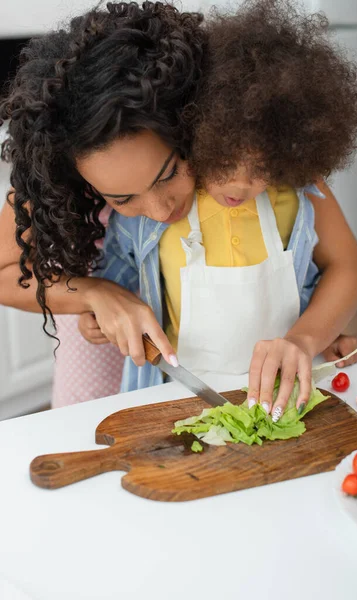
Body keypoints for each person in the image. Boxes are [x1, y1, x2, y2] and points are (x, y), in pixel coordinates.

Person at [78, 0, 357, 420]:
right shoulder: (150, 213)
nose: (243, 185)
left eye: (264, 169)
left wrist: (307, 339)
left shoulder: (300, 195)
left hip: (284, 397)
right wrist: (97, 315)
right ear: (197, 130)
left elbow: (352, 270)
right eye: (228, 160)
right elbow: (112, 292)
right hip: (175, 398)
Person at [0, 1, 205, 405]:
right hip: (99, 388)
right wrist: (93, 293)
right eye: (122, 198)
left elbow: (341, 266)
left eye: (168, 175)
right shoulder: (64, 184)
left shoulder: (245, 158)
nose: (162, 211)